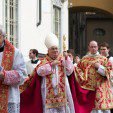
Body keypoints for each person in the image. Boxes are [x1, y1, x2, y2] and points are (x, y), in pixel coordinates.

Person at [20, 33, 75, 113]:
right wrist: (51, 65)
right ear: (48, 51)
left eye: (56, 48)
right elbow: (39, 72)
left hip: (63, 93)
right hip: (48, 93)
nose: (55, 51)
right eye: (53, 49)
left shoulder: (62, 60)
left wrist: (66, 58)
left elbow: (70, 71)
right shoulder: (44, 61)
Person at [74, 40, 113, 113]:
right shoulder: (84, 60)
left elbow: (109, 73)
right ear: (89, 48)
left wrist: (99, 67)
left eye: (95, 47)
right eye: (91, 47)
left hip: (101, 89)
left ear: (97, 47)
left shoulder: (104, 59)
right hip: (88, 90)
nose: (93, 48)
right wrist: (84, 78)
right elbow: (77, 71)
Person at [0, 25, 27, 113]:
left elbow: (22, 75)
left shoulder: (15, 52)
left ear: (3, 36)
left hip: (8, 98)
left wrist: (4, 75)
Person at [100, 42, 113, 113]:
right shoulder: (100, 59)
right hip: (101, 85)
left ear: (108, 50)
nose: (102, 51)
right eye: (101, 49)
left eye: (104, 49)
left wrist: (98, 67)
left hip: (109, 84)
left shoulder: (111, 59)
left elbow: (109, 72)